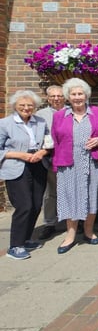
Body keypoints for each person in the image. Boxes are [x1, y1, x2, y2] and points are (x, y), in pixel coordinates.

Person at [51, 78, 98, 254]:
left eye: (80, 93)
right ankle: (70, 235)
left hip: (92, 162)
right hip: (68, 163)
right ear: (68, 97)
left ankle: (89, 231)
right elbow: (54, 139)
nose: (77, 97)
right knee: (70, 197)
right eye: (73, 94)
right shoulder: (59, 115)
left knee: (91, 196)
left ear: (86, 95)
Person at [0, 90, 50, 260]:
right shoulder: (5, 124)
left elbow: (49, 142)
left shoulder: (40, 122)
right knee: (24, 205)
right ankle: (15, 246)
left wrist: (42, 152)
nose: (26, 108)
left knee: (36, 204)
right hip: (17, 166)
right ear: (15, 106)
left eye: (30, 105)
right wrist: (20, 155)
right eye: (22, 105)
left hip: (38, 164)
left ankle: (26, 239)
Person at [36, 85, 65, 240]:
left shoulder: (71, 111)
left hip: (69, 158)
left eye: (59, 96)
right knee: (50, 193)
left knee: (72, 191)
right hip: (50, 158)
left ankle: (76, 221)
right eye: (53, 96)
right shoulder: (40, 115)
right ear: (47, 98)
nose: (56, 99)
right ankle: (49, 223)